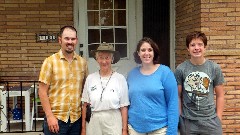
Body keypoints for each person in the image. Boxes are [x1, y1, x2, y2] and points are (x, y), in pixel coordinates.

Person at [38, 25, 88, 135]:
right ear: (60, 40)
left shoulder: (82, 63)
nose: (70, 41)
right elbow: (42, 92)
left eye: (73, 39)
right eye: (67, 38)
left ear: (76, 40)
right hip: (56, 120)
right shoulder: (50, 62)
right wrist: (49, 116)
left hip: (76, 120)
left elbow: (84, 89)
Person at [174, 31, 225, 135]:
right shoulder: (181, 69)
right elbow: (177, 96)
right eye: (192, 45)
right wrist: (180, 116)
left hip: (211, 121)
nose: (196, 48)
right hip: (188, 121)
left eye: (200, 44)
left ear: (205, 47)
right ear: (188, 48)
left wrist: (218, 118)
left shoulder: (214, 68)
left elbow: (220, 95)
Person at [127, 37, 179, 135]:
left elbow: (173, 103)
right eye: (143, 50)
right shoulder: (132, 74)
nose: (146, 53)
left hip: (159, 129)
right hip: (134, 128)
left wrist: (172, 132)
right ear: (138, 53)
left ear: (154, 52)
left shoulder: (165, 72)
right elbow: (127, 102)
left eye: (150, 50)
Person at [81, 42, 129, 135]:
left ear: (112, 59)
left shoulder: (120, 79)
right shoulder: (90, 78)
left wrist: (124, 130)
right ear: (97, 59)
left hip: (113, 120)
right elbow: (85, 105)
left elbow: (124, 107)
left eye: (107, 57)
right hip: (94, 121)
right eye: (101, 57)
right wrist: (83, 129)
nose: (104, 61)